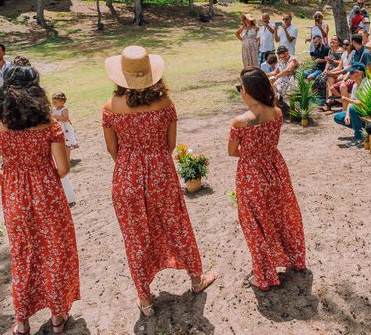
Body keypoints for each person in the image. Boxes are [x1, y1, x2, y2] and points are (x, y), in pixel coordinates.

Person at [102, 46, 216, 315]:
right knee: (176, 224)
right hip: (160, 171)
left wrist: (132, 162)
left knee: (135, 236)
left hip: (126, 176)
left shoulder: (110, 107)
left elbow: (112, 150)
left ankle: (145, 299)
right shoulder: (165, 104)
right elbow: (170, 144)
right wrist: (151, 157)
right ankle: (196, 279)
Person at [0, 65, 80, 334]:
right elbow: (62, 168)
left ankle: (22, 321)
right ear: (36, 88)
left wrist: (14, 185)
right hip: (47, 193)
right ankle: (58, 318)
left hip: (15, 196)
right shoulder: (48, 123)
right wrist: (40, 178)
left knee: (23, 255)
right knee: (54, 252)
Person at [228, 67, 306, 290]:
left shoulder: (240, 122)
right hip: (275, 169)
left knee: (255, 225)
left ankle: (264, 274)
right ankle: (294, 258)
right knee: (281, 217)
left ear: (247, 90)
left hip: (252, 175)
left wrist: (252, 154)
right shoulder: (277, 112)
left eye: (240, 88)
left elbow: (233, 151)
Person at [52, 92, 78, 206]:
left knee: (67, 143)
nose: (54, 103)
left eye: (56, 101)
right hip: (58, 127)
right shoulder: (53, 109)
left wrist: (56, 117)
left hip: (64, 128)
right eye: (53, 101)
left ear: (62, 102)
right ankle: (64, 158)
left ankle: (67, 158)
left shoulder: (64, 109)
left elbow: (65, 118)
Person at [333, 63, 367, 146]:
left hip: (368, 113)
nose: (349, 75)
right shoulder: (355, 85)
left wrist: (346, 99)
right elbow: (351, 101)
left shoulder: (367, 84)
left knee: (352, 108)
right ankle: (362, 129)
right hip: (358, 112)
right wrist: (348, 115)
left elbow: (364, 104)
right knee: (338, 117)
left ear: (360, 73)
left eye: (351, 73)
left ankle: (359, 137)